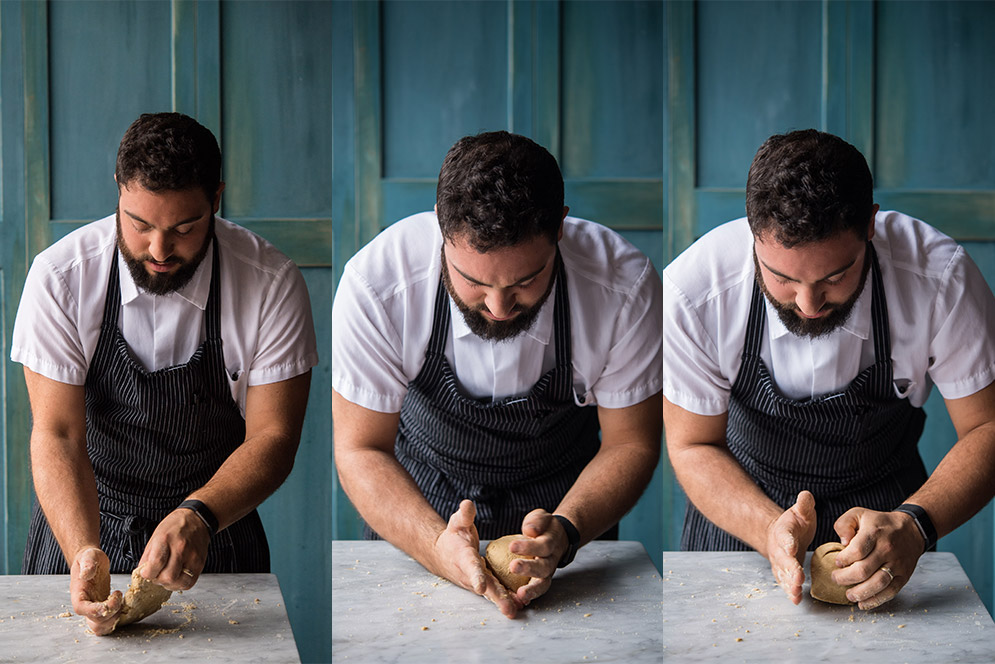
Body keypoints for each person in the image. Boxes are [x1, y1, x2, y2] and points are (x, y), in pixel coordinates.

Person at [332, 131, 662, 618]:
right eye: (474, 281)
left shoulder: (624, 287)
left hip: (565, 514)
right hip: (419, 512)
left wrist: (566, 533)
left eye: (527, 280)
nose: (499, 306)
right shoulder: (379, 285)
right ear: (441, 231)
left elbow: (630, 443)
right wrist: (436, 546)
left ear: (560, 230)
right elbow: (361, 449)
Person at [661, 129, 995, 610]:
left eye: (835, 276)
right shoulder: (694, 291)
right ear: (752, 232)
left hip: (890, 526)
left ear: (871, 226)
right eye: (782, 277)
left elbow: (986, 424)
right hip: (742, 519)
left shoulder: (938, 278)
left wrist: (916, 524)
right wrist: (769, 530)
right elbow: (693, 444)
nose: (809, 304)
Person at [11, 112, 317, 634]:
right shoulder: (60, 278)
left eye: (184, 228)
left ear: (216, 198)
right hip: (85, 519)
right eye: (139, 224)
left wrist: (199, 514)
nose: (158, 250)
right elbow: (57, 433)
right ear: (118, 190)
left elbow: (275, 436)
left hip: (214, 530)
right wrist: (84, 550)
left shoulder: (270, 283)